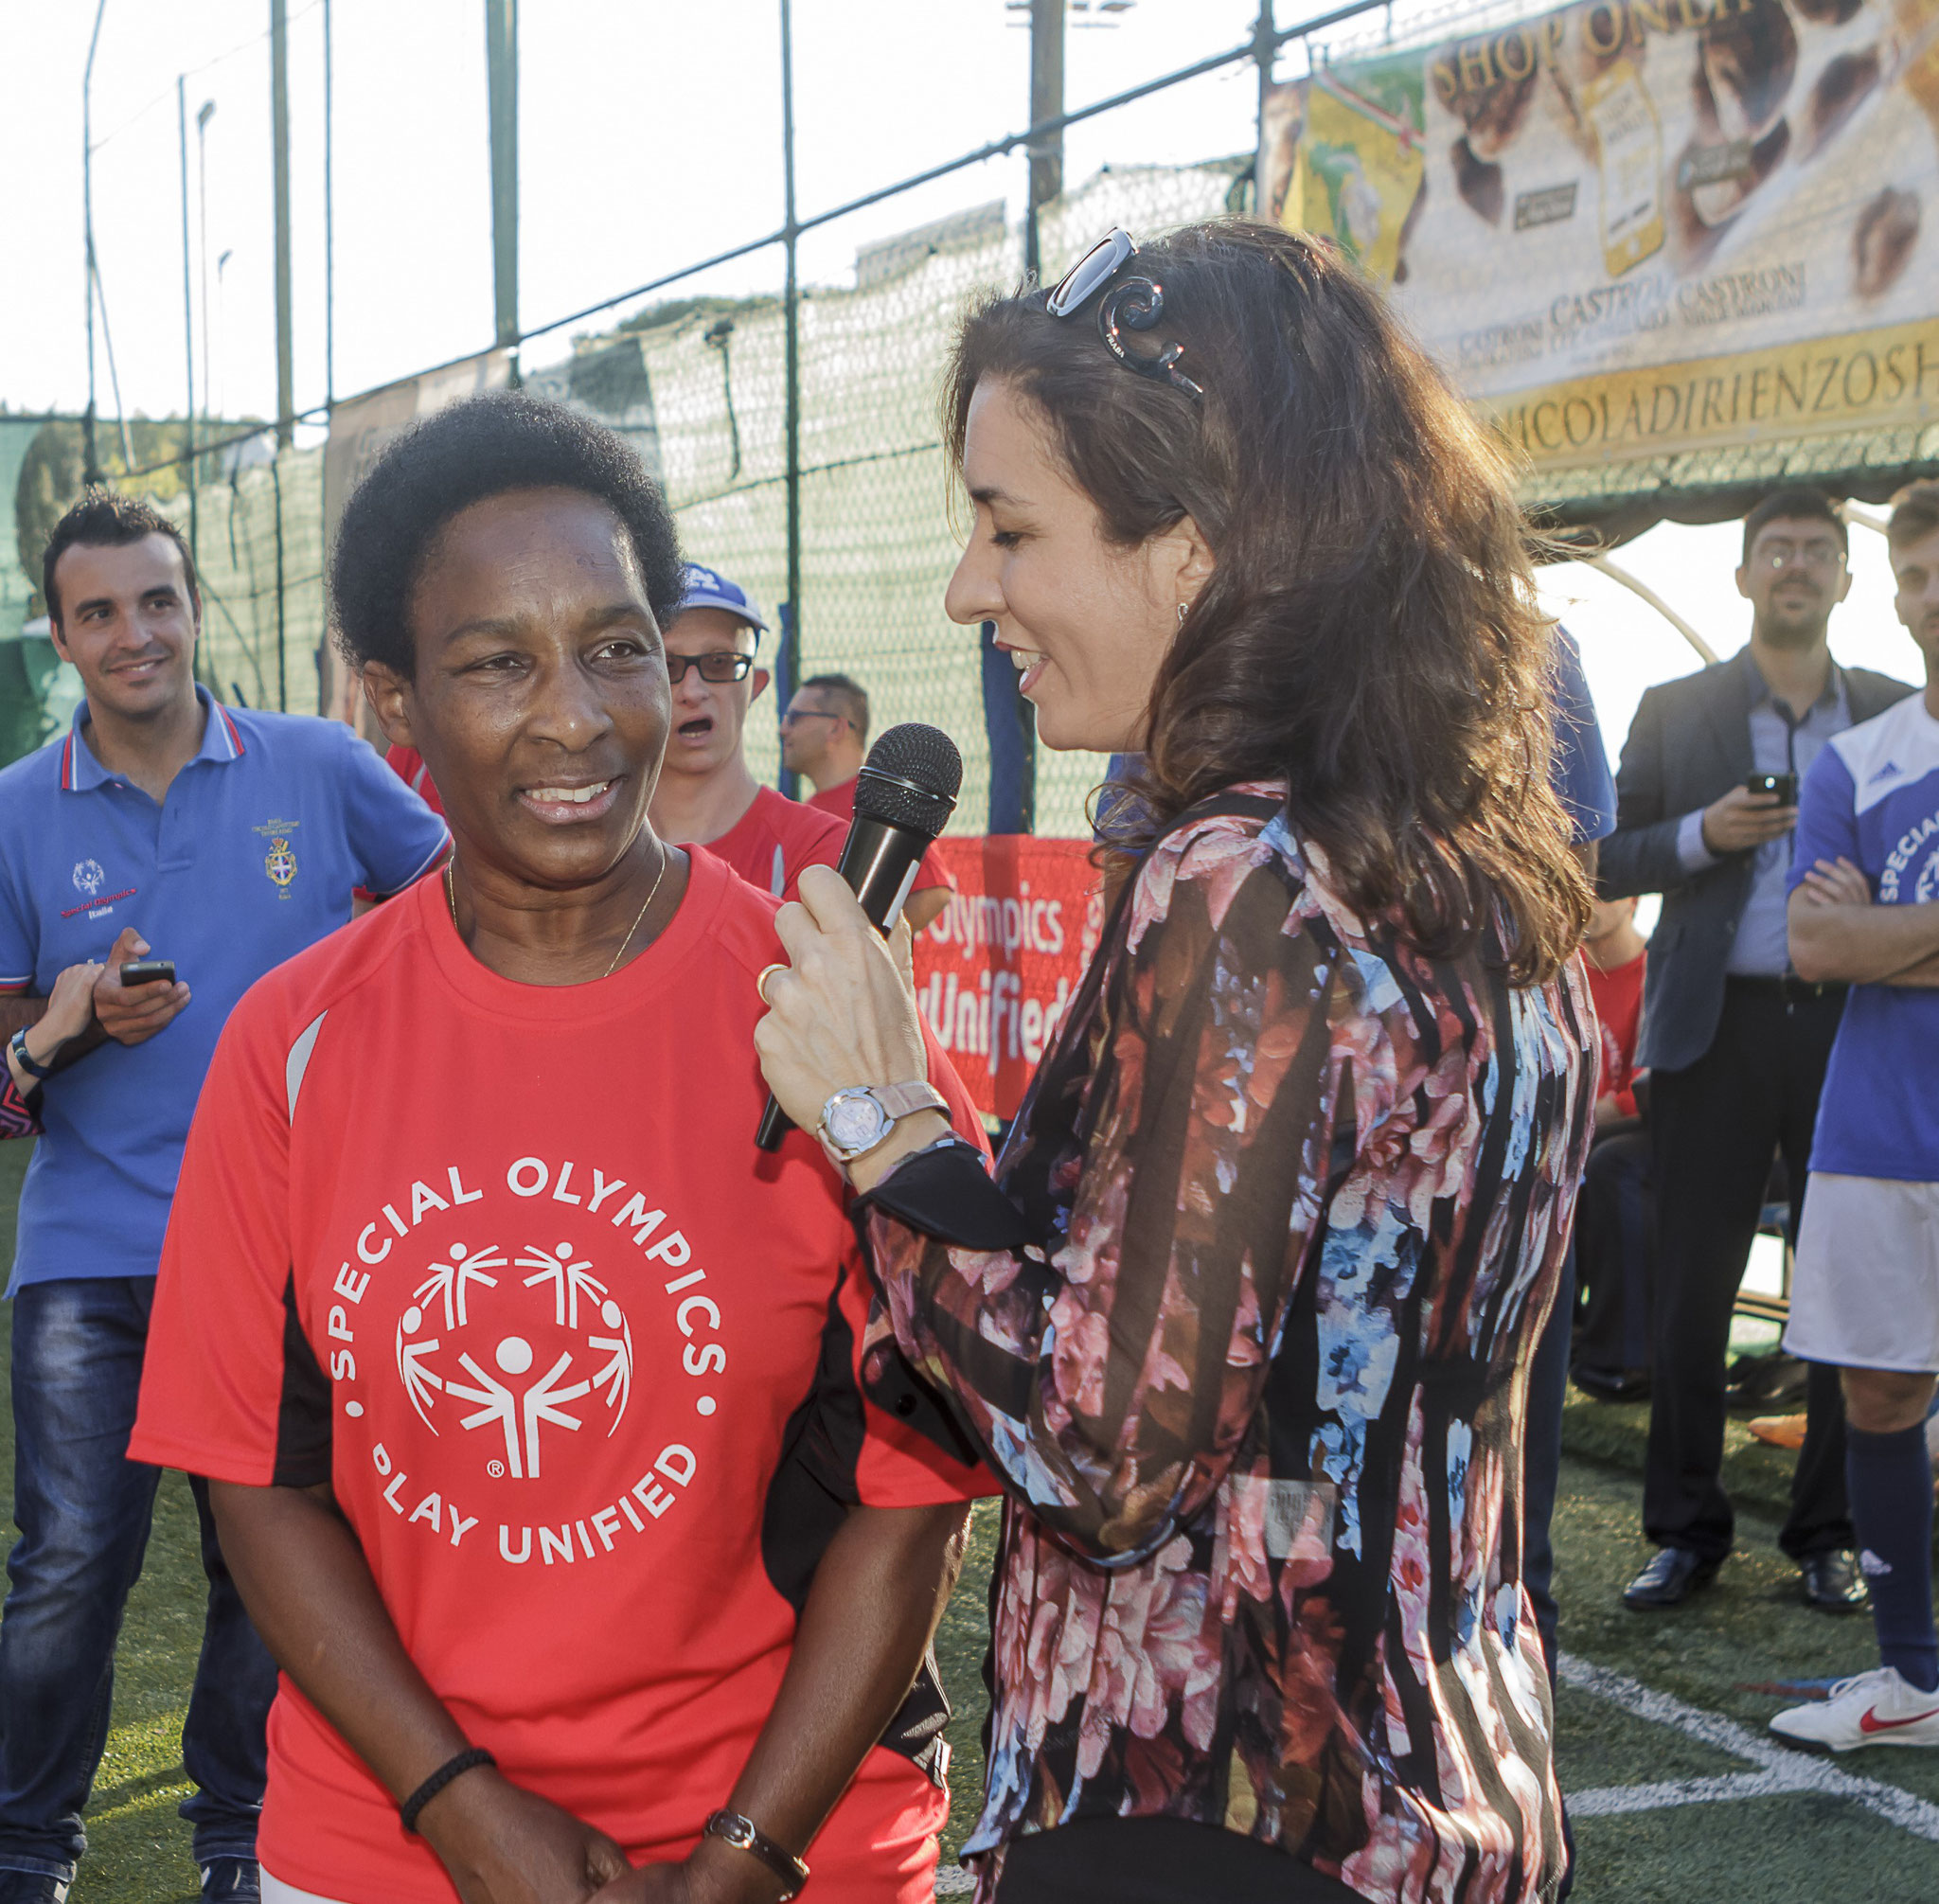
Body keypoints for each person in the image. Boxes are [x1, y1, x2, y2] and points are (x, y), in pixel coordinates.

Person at [754, 222, 1594, 1902]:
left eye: (1010, 528)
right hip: (1445, 1796)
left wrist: (876, 1119)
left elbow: (1101, 1451)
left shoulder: (1246, 880)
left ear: (1202, 545)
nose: (965, 588)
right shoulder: (1458, 854)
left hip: (1218, 1807)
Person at [127, 391, 995, 1904]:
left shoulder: (829, 1008)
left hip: (801, 1846)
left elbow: (912, 1491)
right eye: (495, 663)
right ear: (392, 701)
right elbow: (257, 1479)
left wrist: (746, 1852)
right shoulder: (292, 1041)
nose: (576, 715)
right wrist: (463, 1812)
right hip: (388, 1844)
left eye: (615, 646)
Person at [0, 492, 450, 1904]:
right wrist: (63, 1023)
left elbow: (463, 906)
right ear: (60, 632)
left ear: (194, 605)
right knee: (70, 1566)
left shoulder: (318, 764)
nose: (135, 632)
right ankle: (25, 1843)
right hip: (92, 1251)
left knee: (276, 1565)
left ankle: (239, 1838)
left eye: (157, 599)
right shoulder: (14, 808)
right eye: (99, 610)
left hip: (290, 1244)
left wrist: (366, 1028)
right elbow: (3, 1061)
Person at [1598, 484, 1913, 1614]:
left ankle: (1823, 1535)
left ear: (1842, 576)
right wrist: (1703, 832)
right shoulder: (1674, 707)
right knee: (1690, 1293)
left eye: (1815, 551)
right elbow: (1601, 858)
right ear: (1739, 576)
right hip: (1711, 1028)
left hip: (1850, 1029)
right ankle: (1684, 1533)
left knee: (1842, 1290)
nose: (1794, 566)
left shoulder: (1892, 712)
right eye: (1774, 549)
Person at [1769, 479, 1939, 1750]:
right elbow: (1813, 939)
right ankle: (1914, 1678)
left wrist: (1884, 927)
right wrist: (1863, 934)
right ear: (1901, 594)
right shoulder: (1859, 759)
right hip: (1876, 1130)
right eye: (1922, 572)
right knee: (1881, 1396)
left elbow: (1855, 928)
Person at [646, 564, 850, 903]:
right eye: (667, 666)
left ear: (755, 686)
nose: (693, 691)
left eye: (720, 663)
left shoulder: (817, 846)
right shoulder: (593, 850)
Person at [781, 672, 953, 932]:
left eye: (794, 718)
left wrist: (867, 942)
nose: (783, 730)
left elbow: (933, 892)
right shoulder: (807, 809)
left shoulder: (885, 799)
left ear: (836, 727)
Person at [1569, 896, 1653, 1401]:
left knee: (1607, 1166)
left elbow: (1644, 1092)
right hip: (1574, 1130)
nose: (1592, 899)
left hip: (1623, 1138)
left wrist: (1574, 1115)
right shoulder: (1562, 971)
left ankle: (1621, 1355)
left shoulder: (1657, 971)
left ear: (1637, 901)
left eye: (1609, 889)